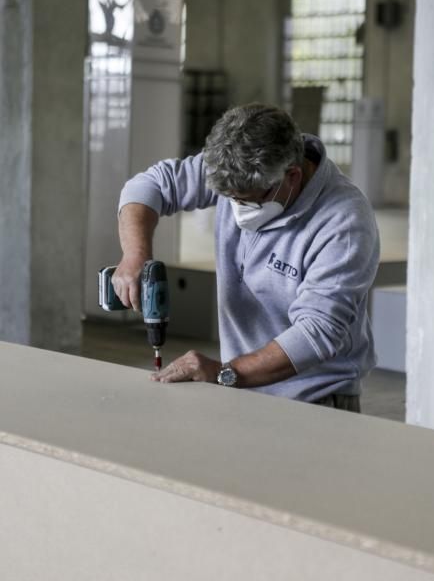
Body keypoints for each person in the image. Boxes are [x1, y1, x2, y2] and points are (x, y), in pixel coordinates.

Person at [113, 103, 380, 412]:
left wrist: (223, 373)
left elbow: (316, 333)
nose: (237, 209)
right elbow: (151, 185)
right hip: (241, 388)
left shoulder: (344, 223)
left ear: (291, 176)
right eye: (230, 198)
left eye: (249, 201)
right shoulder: (238, 170)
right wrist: (135, 255)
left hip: (314, 400)